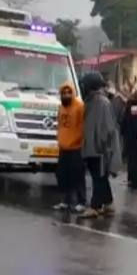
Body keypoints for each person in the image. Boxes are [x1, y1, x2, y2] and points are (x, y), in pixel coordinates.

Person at [78, 72, 122, 219]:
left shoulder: (102, 103)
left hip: (99, 148)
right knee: (100, 177)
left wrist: (105, 147)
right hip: (90, 146)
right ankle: (109, 203)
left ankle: (95, 206)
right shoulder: (91, 101)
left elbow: (108, 128)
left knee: (98, 177)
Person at [53, 81, 86, 213]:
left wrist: (80, 141)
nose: (66, 95)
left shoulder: (79, 106)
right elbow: (60, 124)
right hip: (63, 147)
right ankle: (66, 201)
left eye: (68, 92)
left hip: (76, 147)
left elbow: (83, 126)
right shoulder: (61, 107)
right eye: (63, 93)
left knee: (77, 176)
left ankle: (81, 201)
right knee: (62, 175)